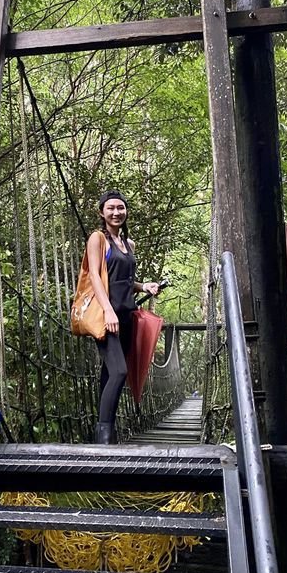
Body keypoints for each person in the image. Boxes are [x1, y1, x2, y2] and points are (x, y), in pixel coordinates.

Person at [86, 190, 161, 444]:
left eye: (121, 208)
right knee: (119, 371)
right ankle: (104, 437)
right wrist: (107, 310)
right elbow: (95, 276)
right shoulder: (98, 240)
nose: (116, 212)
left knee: (110, 374)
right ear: (102, 212)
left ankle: (106, 432)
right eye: (111, 208)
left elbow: (123, 280)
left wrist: (144, 286)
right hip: (105, 316)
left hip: (127, 316)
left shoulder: (130, 245)